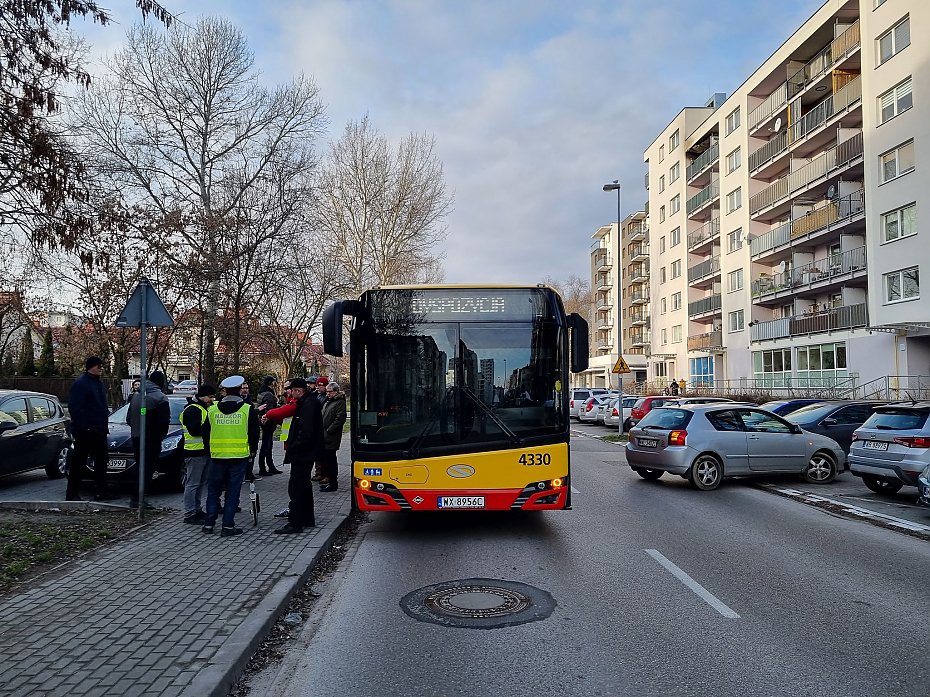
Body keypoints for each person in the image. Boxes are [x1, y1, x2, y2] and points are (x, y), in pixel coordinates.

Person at [203, 375, 260, 537]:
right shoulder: (247, 409)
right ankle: (227, 526)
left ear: (224, 391)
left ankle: (209, 524)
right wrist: (253, 451)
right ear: (240, 389)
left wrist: (210, 450)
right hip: (239, 457)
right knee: (233, 491)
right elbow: (254, 433)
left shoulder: (212, 409)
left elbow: (205, 432)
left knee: (213, 491)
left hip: (217, 456)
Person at [274, 377, 322, 534]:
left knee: (296, 487)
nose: (290, 393)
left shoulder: (307, 405)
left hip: (302, 452)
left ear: (298, 391)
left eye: (292, 390)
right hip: (307, 452)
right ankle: (307, 518)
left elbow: (305, 431)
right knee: (304, 486)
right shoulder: (308, 402)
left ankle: (295, 522)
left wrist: (294, 447)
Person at [65, 356, 111, 501]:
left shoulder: (97, 383)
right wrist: (85, 428)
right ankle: (72, 494)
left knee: (102, 461)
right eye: (99, 366)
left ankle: (101, 492)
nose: (101, 368)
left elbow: (100, 406)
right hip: (86, 432)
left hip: (99, 430)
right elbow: (75, 408)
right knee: (79, 462)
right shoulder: (81, 383)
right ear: (91, 367)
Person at [127, 370, 171, 509]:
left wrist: (136, 428)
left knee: (139, 466)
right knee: (148, 468)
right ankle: (139, 498)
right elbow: (164, 421)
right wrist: (161, 435)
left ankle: (135, 497)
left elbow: (129, 418)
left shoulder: (136, 396)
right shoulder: (160, 397)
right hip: (151, 439)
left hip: (136, 436)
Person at [180, 384, 216, 524]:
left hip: (203, 451)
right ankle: (190, 513)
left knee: (200, 484)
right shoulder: (192, 409)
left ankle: (196, 509)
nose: (211, 400)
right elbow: (194, 430)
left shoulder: (201, 408)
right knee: (193, 484)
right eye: (210, 396)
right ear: (201, 396)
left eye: (213, 397)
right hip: (195, 452)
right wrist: (209, 428)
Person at [263, 379, 298, 518]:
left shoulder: (295, 403)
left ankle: (295, 511)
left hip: (295, 445)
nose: (285, 391)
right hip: (289, 444)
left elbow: (283, 412)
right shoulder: (290, 401)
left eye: (287, 388)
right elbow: (283, 418)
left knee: (296, 482)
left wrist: (268, 414)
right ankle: (294, 508)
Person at [320, 381, 346, 492]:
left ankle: (333, 483)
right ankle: (329, 481)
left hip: (331, 436)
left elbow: (340, 419)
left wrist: (329, 430)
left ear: (336, 391)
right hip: (325, 434)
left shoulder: (339, 402)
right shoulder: (329, 401)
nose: (328, 394)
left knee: (331, 461)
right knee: (326, 460)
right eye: (327, 392)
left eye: (330, 392)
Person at [255, 376, 282, 477]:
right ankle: (264, 468)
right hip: (268, 423)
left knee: (268, 445)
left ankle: (270, 466)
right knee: (266, 445)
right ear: (271, 383)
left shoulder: (261, 392)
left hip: (263, 421)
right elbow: (270, 410)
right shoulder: (269, 394)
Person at [311, 376, 329, 481]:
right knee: (317, 452)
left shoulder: (327, 397)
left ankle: (325, 473)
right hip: (316, 427)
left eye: (320, 385)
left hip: (324, 428)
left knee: (325, 454)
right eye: (317, 385)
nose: (318, 387)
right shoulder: (315, 396)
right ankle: (319, 472)